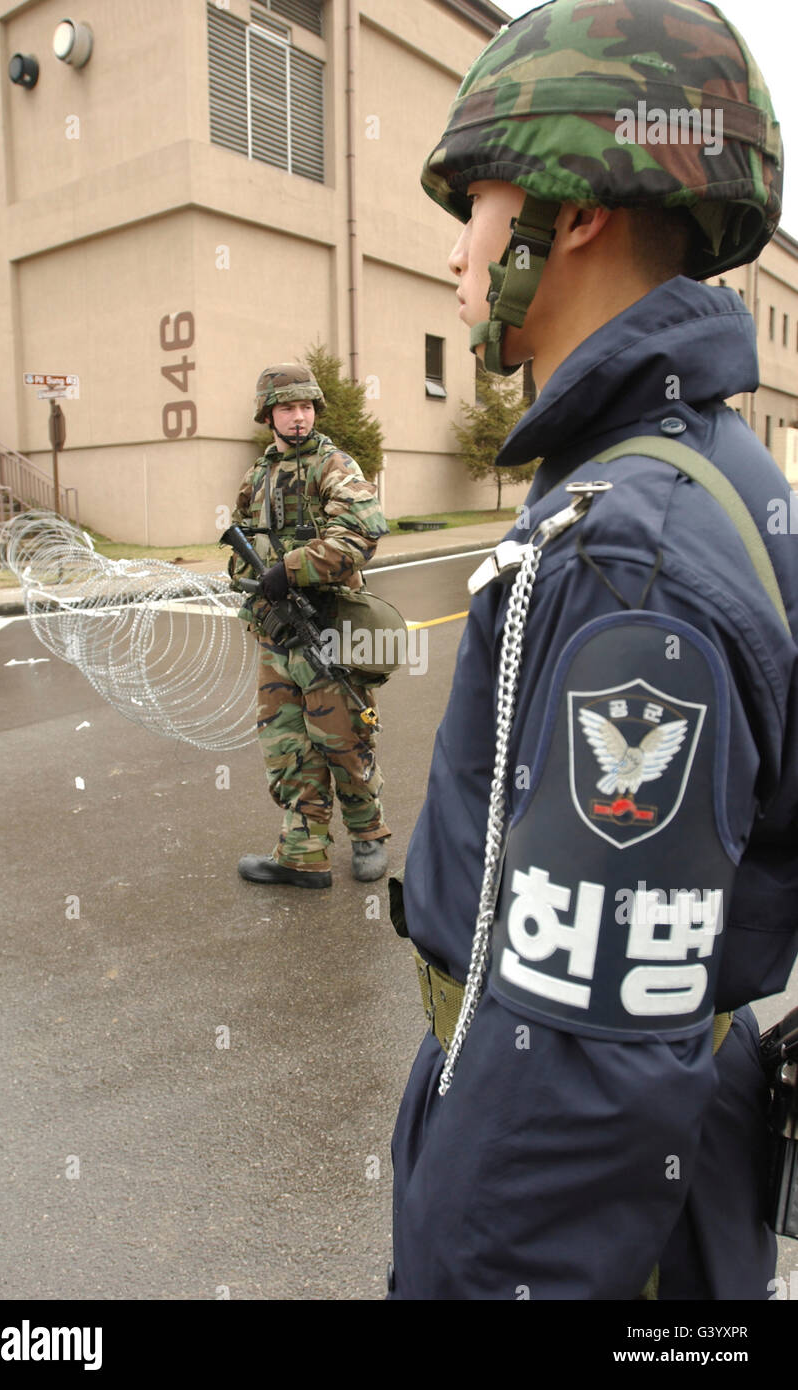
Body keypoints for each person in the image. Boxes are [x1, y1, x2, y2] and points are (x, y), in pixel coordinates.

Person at [389, 0, 798, 1299]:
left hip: (604, 1218)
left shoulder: (633, 547)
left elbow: (579, 1071)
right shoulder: (696, 468)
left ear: (570, 212)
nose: (457, 255)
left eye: (478, 207)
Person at [231, 363, 391, 889]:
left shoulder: (335, 466)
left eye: (304, 407)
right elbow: (240, 550)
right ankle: (303, 854)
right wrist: (255, 589)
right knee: (285, 746)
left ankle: (368, 834)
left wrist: (291, 569)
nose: (297, 417)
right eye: (285, 408)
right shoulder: (257, 476)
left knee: (344, 740)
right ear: (268, 415)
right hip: (277, 636)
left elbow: (361, 533)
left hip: (329, 627)